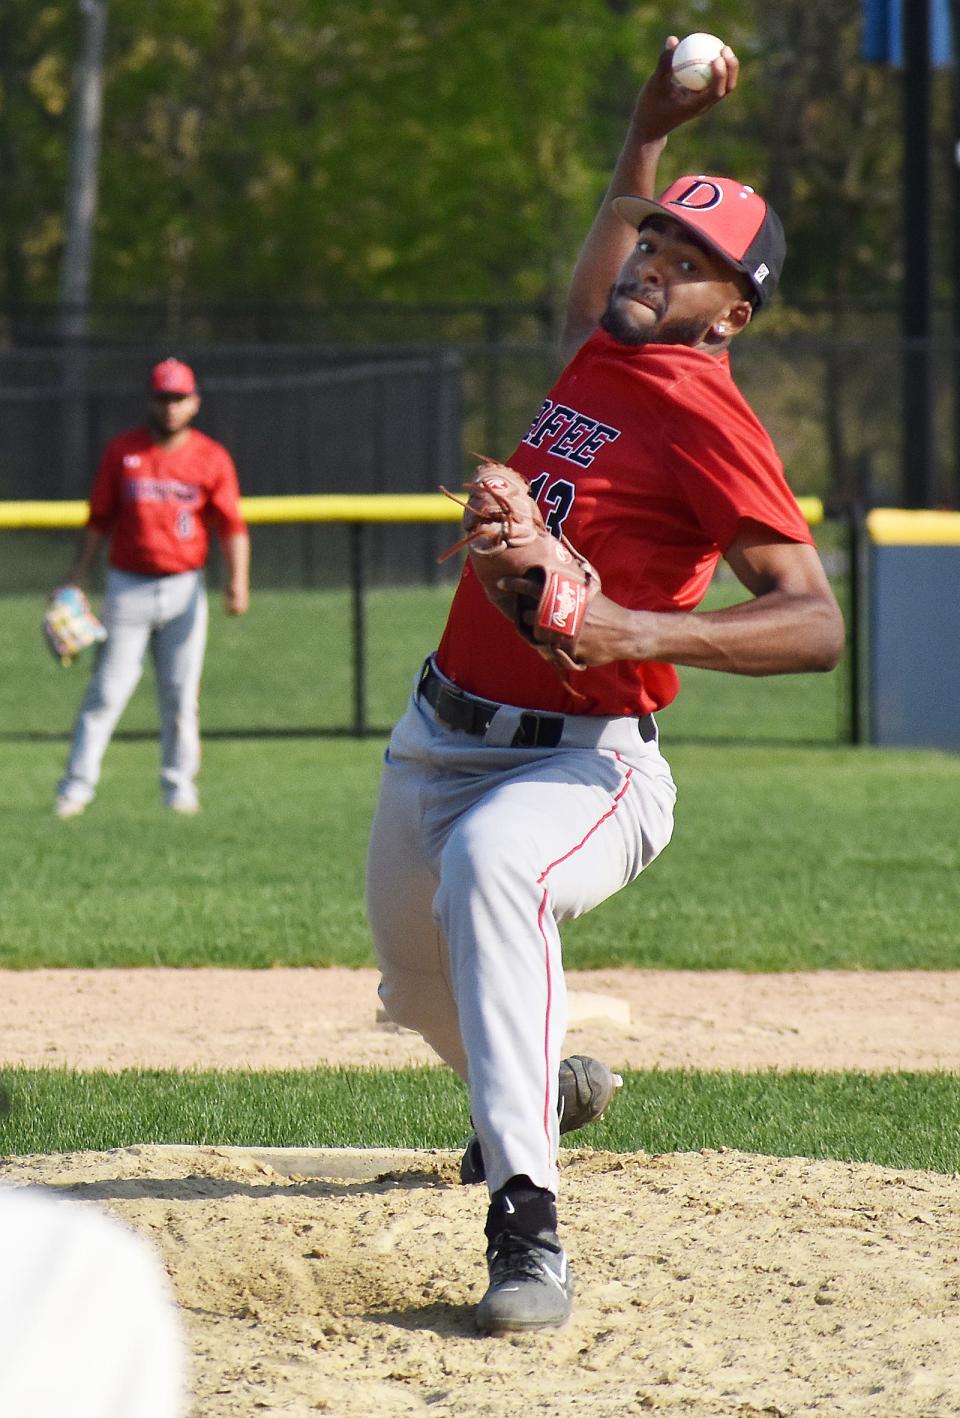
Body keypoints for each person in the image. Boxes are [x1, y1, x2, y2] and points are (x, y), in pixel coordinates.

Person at [365, 36, 845, 1335]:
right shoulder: (605, 345)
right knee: (417, 988)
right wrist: (647, 124)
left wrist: (632, 622)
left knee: (495, 876)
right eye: (654, 244)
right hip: (436, 732)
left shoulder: (706, 409)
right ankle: (547, 1083)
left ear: (732, 312)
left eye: (691, 264)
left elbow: (814, 624)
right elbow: (612, 231)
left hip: (584, 755)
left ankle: (526, 1222)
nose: (653, 264)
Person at [53, 358, 250, 818]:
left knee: (181, 696)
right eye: (163, 397)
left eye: (179, 398)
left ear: (194, 403)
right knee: (107, 690)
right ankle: (75, 789)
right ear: (150, 400)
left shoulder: (211, 456)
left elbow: (232, 525)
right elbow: (99, 520)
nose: (170, 407)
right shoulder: (124, 452)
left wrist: (238, 581)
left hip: (185, 587)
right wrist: (76, 576)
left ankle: (179, 789)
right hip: (128, 587)